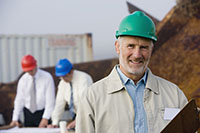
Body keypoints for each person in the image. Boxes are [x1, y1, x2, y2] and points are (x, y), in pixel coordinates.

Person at [76, 11, 188, 133]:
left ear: (151, 50)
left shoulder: (174, 95)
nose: (137, 55)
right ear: (117, 47)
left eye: (144, 47)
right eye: (130, 46)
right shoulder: (92, 97)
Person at [10, 55, 56, 128]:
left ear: (36, 65)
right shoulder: (23, 80)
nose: (30, 72)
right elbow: (19, 100)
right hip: (28, 114)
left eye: (31, 70)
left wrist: (45, 118)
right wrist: (15, 118)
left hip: (42, 113)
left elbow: (50, 100)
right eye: (27, 71)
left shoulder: (47, 78)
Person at [48, 58, 93, 130]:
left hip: (88, 114)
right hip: (77, 115)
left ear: (71, 71)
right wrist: (54, 123)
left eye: (64, 76)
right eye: (61, 77)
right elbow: (59, 104)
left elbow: (85, 104)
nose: (63, 78)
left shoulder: (83, 79)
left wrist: (79, 120)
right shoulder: (62, 83)